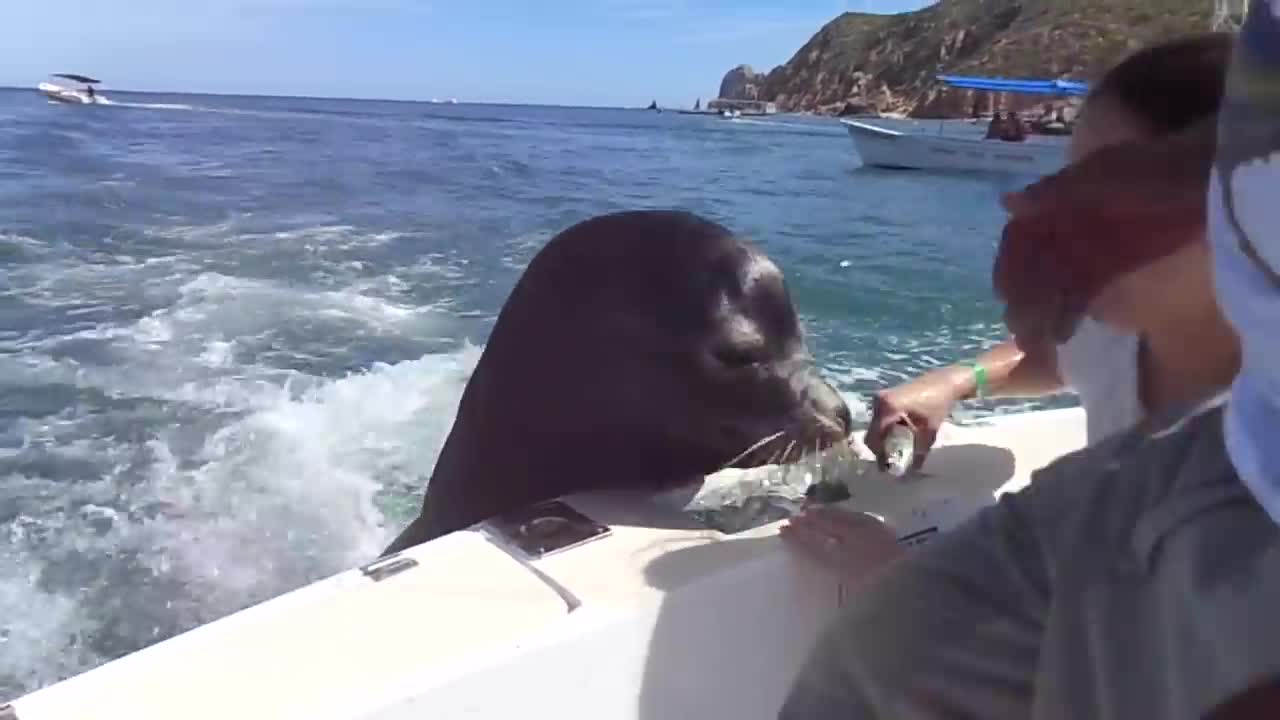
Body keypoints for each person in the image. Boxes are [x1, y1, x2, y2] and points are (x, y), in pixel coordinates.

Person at [778, 15, 1280, 719]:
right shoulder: (1115, 328)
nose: (1047, 202)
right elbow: (1046, 359)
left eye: (1108, 175)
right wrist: (956, 382)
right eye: (1065, 171)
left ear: (1233, 195)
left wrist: (896, 582)